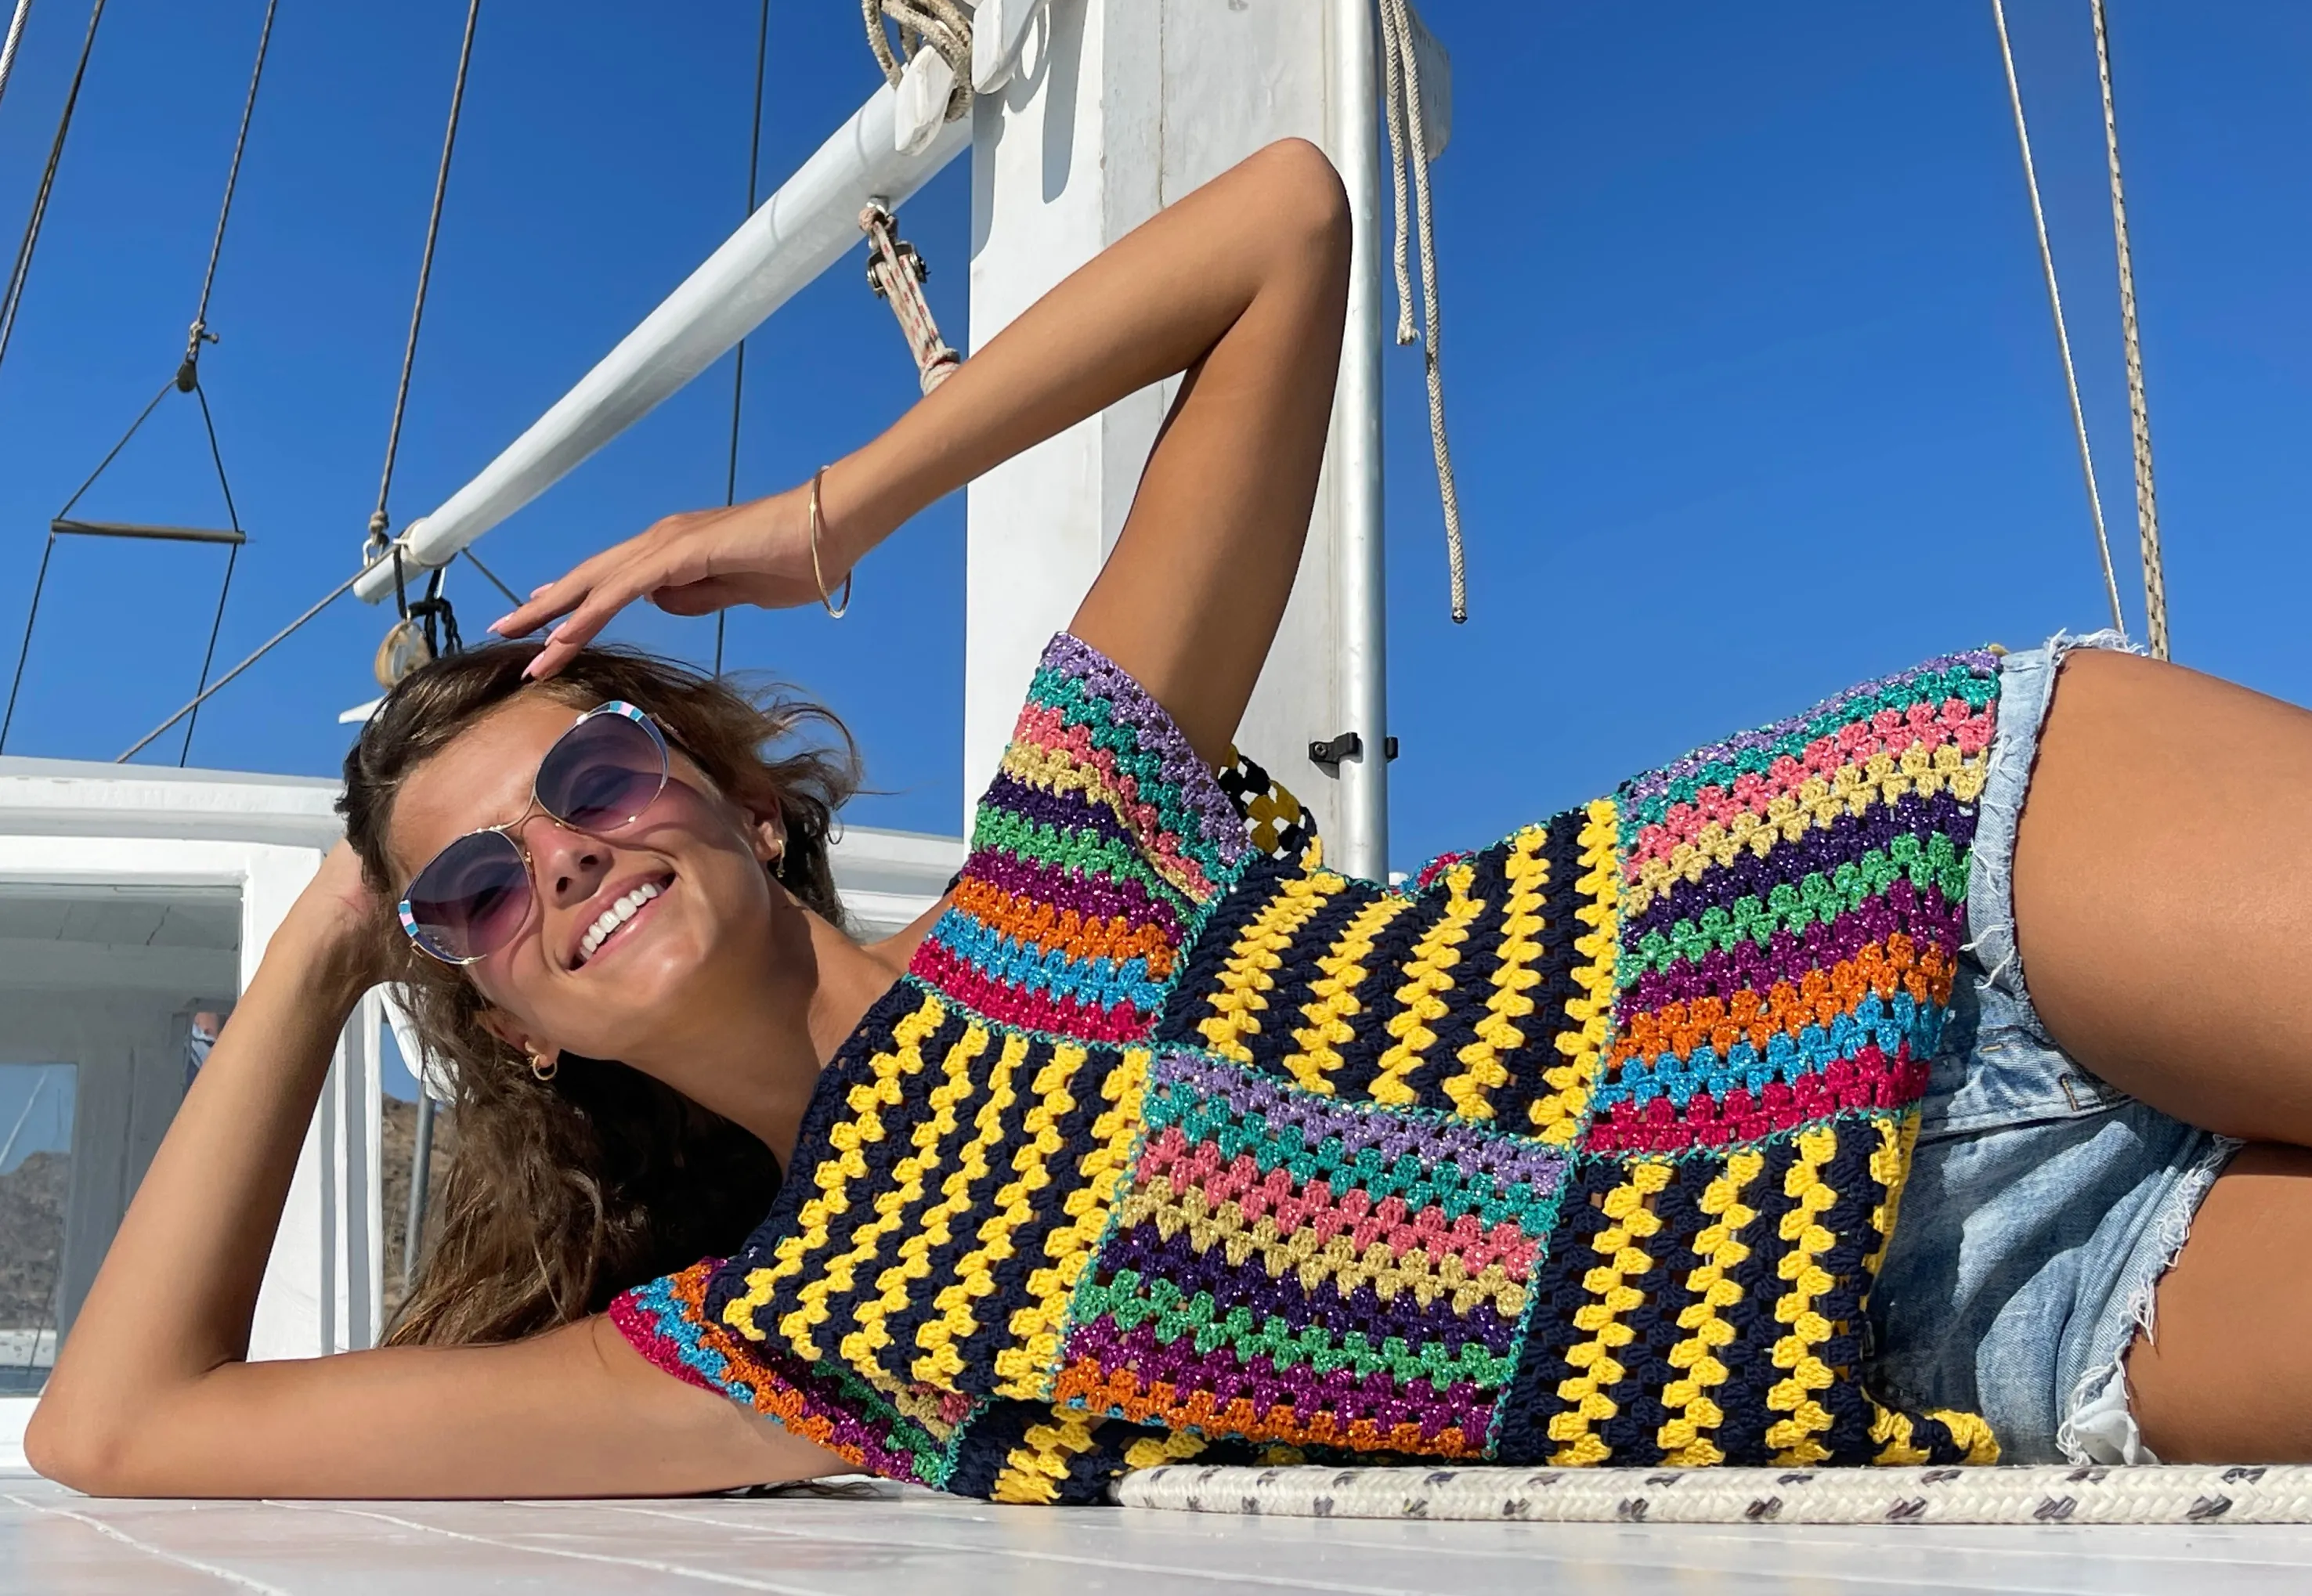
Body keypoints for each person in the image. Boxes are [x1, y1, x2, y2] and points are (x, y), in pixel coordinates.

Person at [25, 140, 2312, 1500]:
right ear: (505, 1016)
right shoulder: (787, 1345)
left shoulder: (1066, 848)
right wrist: (324, 943)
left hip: (1902, 893)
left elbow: (1283, 227)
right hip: (1956, 1319)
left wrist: (824, 518)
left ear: (730, 803)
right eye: (479, 887)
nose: (568, 857)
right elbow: (113, 1429)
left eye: (599, 774)